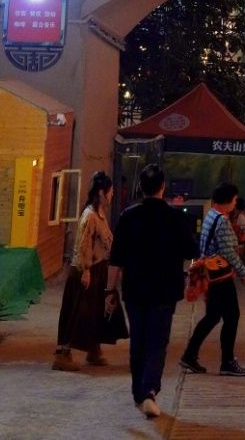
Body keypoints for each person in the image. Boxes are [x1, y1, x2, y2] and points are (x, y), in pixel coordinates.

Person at [106, 163, 198, 421]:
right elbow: (192, 251)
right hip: (165, 291)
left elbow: (116, 258)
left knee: (139, 340)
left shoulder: (128, 216)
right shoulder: (176, 218)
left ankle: (139, 392)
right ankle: (149, 391)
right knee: (157, 342)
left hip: (135, 290)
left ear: (140, 187)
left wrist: (109, 290)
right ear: (163, 187)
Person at [180, 182, 245, 377]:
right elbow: (229, 253)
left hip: (210, 276)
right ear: (228, 201)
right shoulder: (222, 221)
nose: (235, 203)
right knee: (232, 316)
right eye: (234, 200)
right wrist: (244, 273)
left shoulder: (211, 215)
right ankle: (227, 362)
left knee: (212, 316)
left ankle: (190, 355)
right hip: (220, 277)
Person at [53, 170, 116, 371]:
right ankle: (63, 354)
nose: (112, 194)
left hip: (98, 269)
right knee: (77, 313)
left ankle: (93, 349)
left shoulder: (100, 214)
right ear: (101, 193)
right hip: (85, 271)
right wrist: (86, 270)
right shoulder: (90, 216)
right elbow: (83, 245)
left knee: (95, 312)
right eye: (110, 191)